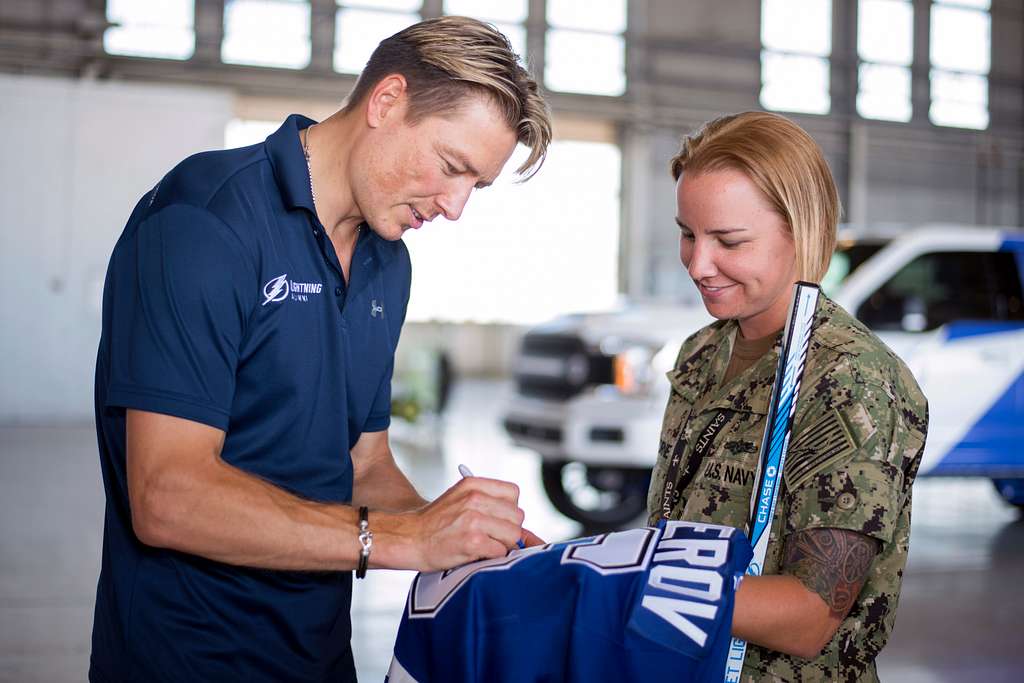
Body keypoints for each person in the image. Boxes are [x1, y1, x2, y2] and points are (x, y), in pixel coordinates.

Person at [90, 16, 551, 683]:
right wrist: (408, 541)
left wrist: (468, 540)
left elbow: (364, 464)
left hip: (322, 655)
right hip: (186, 658)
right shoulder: (204, 221)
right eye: (451, 167)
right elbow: (167, 495)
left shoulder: (387, 263)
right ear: (386, 102)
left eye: (473, 186)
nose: (454, 208)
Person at [646, 111, 928, 682]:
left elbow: (811, 617)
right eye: (687, 234)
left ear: (802, 231)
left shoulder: (850, 380)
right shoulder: (702, 353)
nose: (698, 264)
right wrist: (569, 563)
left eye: (729, 240)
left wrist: (618, 586)